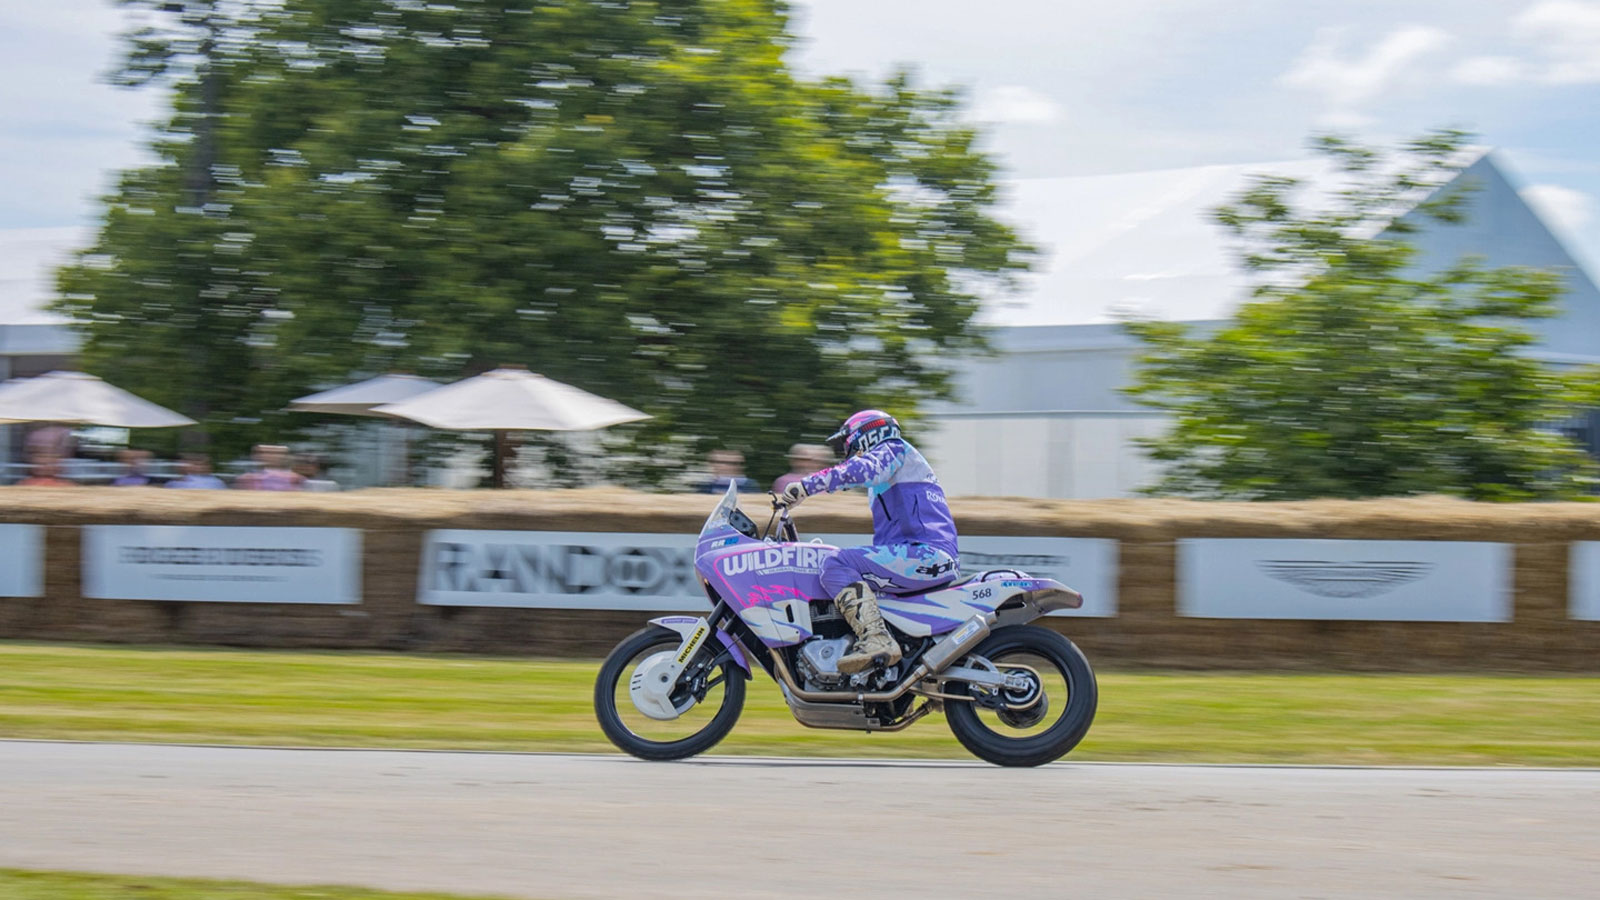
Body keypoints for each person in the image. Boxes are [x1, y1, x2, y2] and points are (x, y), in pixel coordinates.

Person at [778, 410, 960, 674]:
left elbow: (862, 469)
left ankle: (876, 639)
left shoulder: (894, 449)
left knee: (836, 564)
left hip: (924, 554)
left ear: (867, 435)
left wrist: (808, 485)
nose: (847, 451)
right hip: (919, 554)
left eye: (847, 443)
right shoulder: (895, 471)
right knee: (843, 565)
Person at [235, 444, 304, 491]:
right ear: (254, 456)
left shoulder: (294, 478)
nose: (270, 456)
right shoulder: (246, 479)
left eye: (275, 453)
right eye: (263, 452)